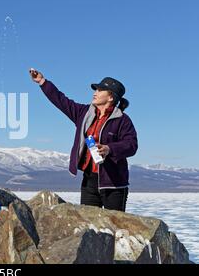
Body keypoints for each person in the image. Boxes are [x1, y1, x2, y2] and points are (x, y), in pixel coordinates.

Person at [29, 68, 138, 212]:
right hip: (89, 181)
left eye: (100, 90)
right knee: (89, 227)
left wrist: (109, 149)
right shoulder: (83, 113)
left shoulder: (122, 120)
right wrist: (42, 82)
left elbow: (131, 145)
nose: (95, 93)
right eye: (96, 90)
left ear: (111, 97)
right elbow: (61, 101)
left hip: (114, 184)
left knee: (114, 229)